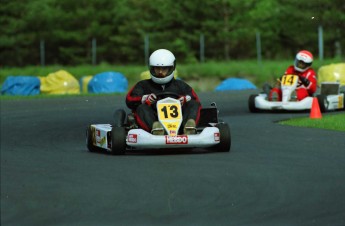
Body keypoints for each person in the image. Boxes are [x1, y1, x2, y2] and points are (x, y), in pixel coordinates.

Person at [126, 49, 201, 135]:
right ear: (152, 68)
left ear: (172, 68)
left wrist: (185, 99)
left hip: (180, 122)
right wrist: (144, 99)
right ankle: (156, 129)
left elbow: (195, 99)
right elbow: (129, 99)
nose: (160, 72)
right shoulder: (143, 85)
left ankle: (189, 128)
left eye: (164, 69)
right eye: (157, 69)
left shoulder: (180, 85)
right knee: (141, 108)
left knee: (193, 104)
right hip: (153, 117)